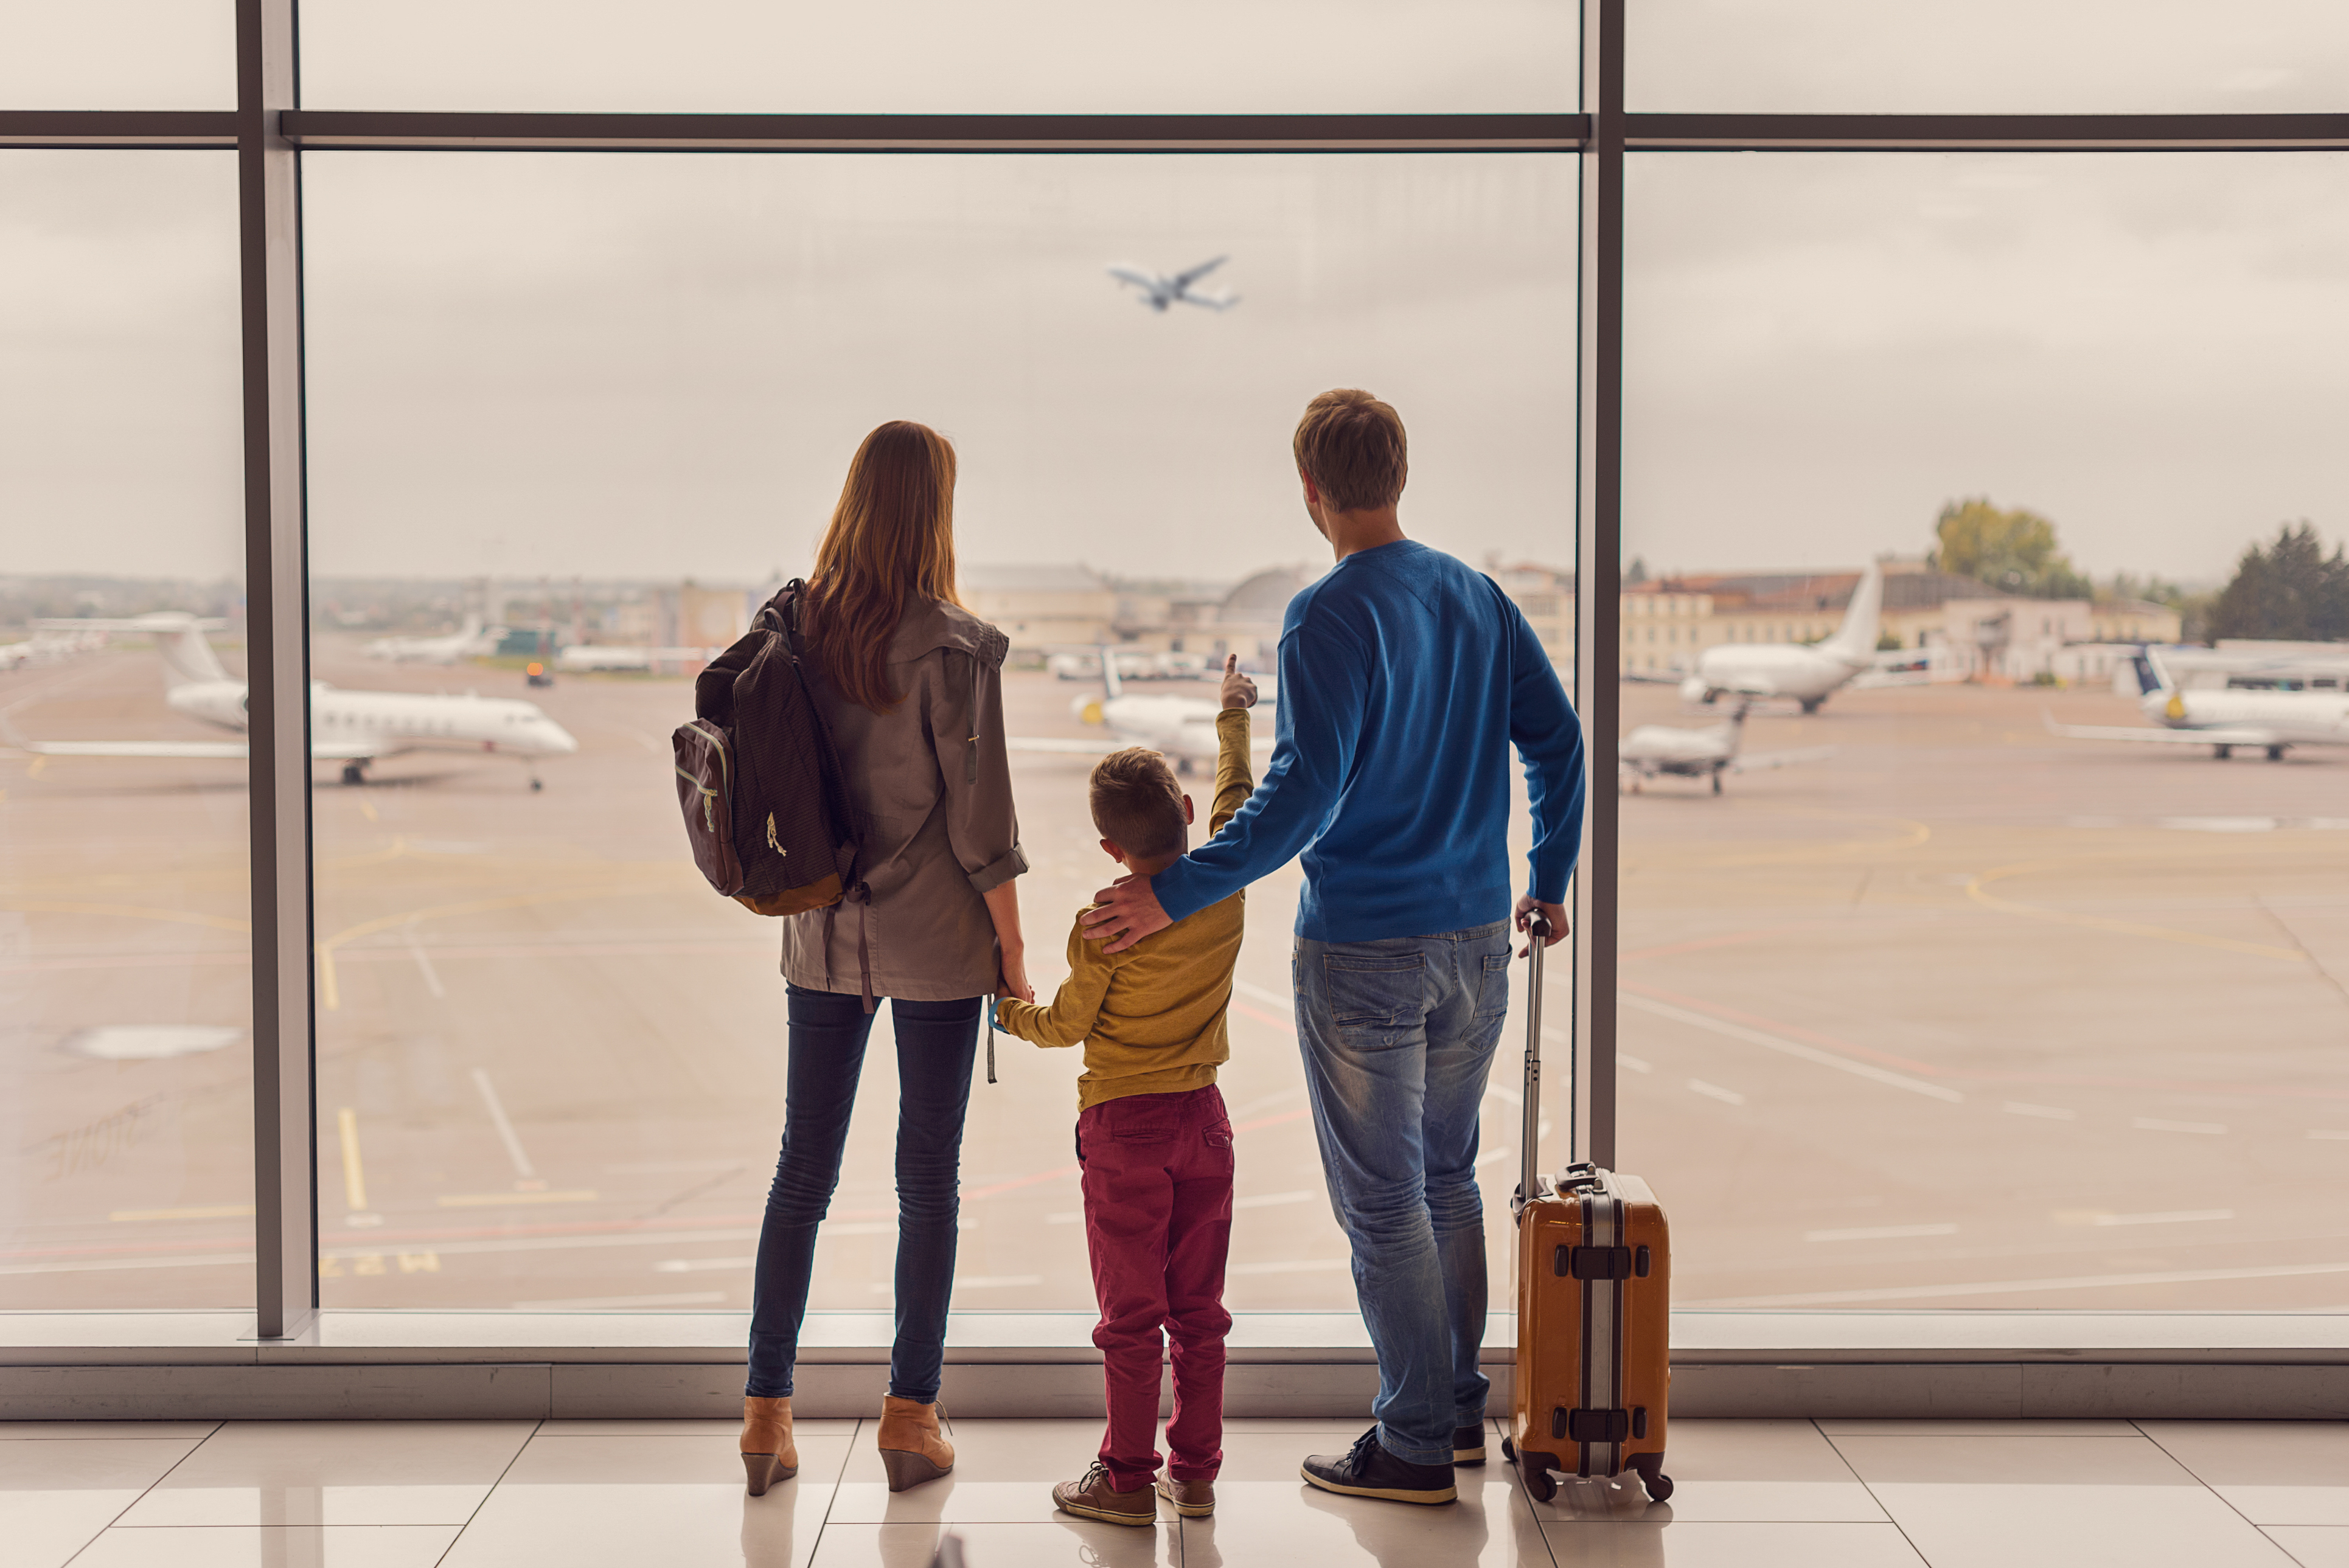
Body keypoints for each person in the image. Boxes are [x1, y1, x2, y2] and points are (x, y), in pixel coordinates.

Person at [1080, 389, 1587, 1507]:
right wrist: (1546, 878)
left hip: (1365, 946)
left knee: (1382, 1202)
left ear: (1310, 492)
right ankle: (1451, 1412)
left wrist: (1177, 891)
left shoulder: (1324, 614)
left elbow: (1302, 797)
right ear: (1398, 474)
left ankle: (1410, 1443)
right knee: (1445, 1176)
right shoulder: (1477, 598)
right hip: (1473, 943)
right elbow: (1558, 742)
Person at [737, 420, 1036, 1499]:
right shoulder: (957, 648)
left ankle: (765, 1416)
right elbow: (980, 822)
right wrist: (1011, 950)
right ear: (935, 510)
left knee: (799, 1172)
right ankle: (910, 1415)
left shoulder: (791, 628)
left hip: (820, 932)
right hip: (938, 942)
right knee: (928, 1180)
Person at [993, 655, 1259, 1527]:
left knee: (1130, 1318)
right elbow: (1237, 795)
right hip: (1204, 1123)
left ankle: (1124, 1480)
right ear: (1182, 815)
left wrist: (1009, 1014)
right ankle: (1197, 1469)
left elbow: (1066, 1023)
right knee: (1199, 1314)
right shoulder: (1224, 883)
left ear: (1110, 848)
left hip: (1122, 1131)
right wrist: (1231, 712)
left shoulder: (1102, 923)